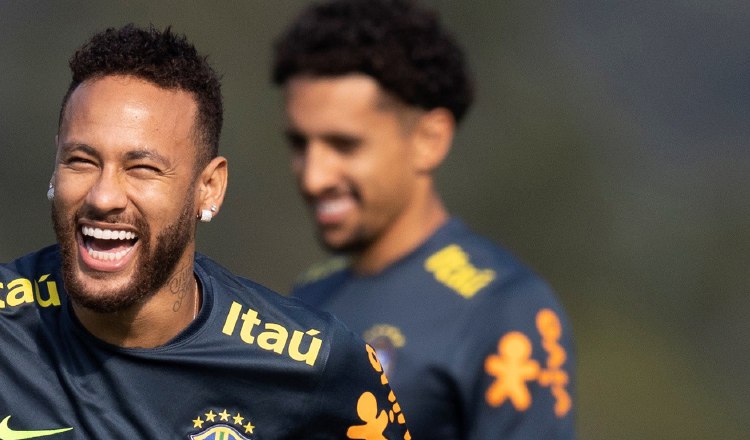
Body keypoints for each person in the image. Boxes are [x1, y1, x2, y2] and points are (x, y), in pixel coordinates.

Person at [0, 24, 411, 440]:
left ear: (208, 188)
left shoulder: (316, 364)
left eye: (142, 168)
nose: (104, 197)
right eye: (81, 160)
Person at [272, 0, 575, 438]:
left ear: (429, 140)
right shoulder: (308, 296)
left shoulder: (503, 308)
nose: (315, 177)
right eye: (300, 145)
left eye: (345, 145)